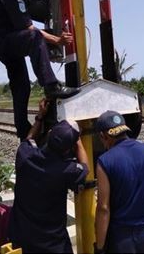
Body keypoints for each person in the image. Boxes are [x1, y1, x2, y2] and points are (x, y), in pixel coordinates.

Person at [0, 0, 79, 140]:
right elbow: (30, 31)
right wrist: (57, 40)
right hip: (3, 43)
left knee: (22, 87)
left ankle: (24, 132)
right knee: (34, 35)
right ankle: (51, 86)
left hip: (13, 43)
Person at [8, 98, 88, 253]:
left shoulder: (24, 155)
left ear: (50, 133)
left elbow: (29, 139)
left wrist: (40, 117)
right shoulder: (66, 171)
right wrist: (79, 142)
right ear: (68, 150)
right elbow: (85, 168)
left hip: (21, 238)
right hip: (52, 245)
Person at [94, 110, 144, 254]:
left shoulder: (105, 161)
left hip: (121, 238)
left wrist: (100, 247)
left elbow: (103, 208)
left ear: (103, 136)